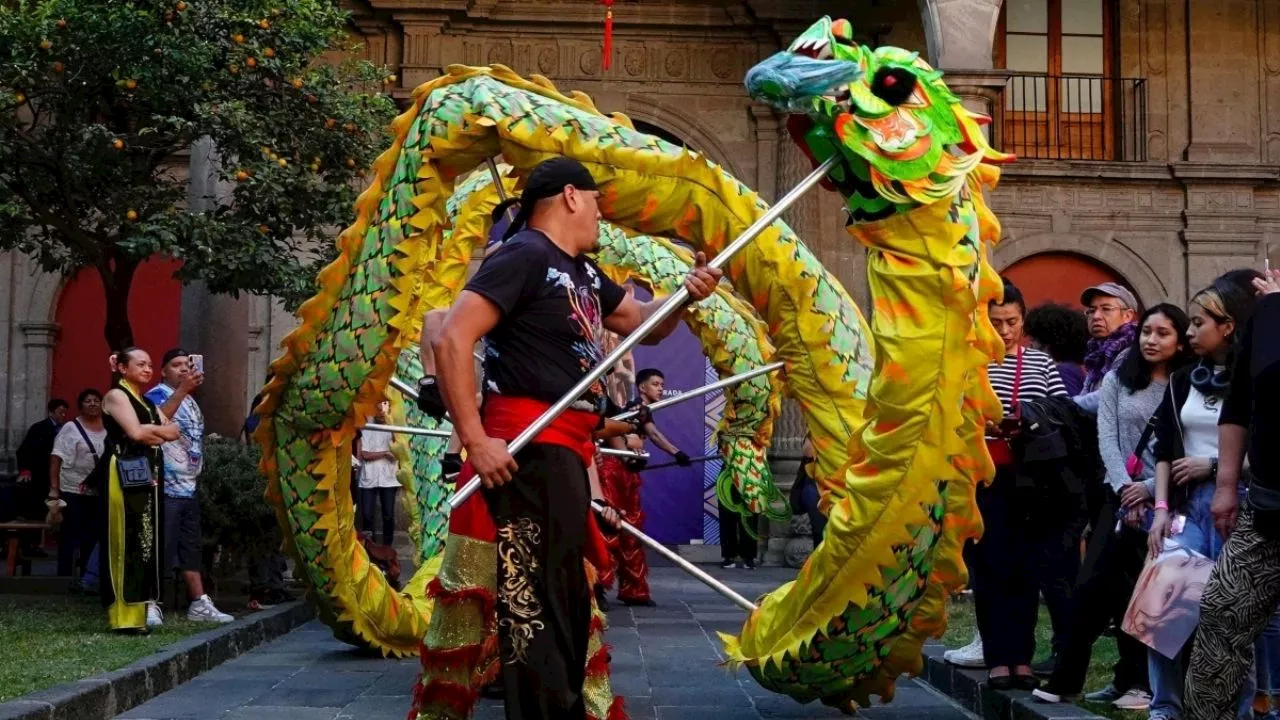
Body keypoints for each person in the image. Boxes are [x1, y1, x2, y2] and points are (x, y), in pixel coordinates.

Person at [430, 156, 721, 719]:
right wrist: (475, 438)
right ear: (569, 196)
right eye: (595, 201)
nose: (598, 214)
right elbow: (452, 338)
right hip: (526, 445)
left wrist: (689, 294)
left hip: (567, 446)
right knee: (533, 600)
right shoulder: (524, 255)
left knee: (563, 591)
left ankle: (561, 708)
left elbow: (646, 322)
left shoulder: (584, 272)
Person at [1181, 269, 1280, 720]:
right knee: (1221, 613)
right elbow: (1238, 409)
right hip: (1266, 508)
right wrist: (1225, 488)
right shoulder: (1263, 324)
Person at [962, 278, 1067, 691]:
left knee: (1026, 568)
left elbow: (1063, 410)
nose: (1004, 331)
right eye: (996, 322)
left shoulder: (1040, 363)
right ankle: (997, 658)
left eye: (1012, 321)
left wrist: (1028, 417)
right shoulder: (970, 361)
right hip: (982, 476)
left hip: (1030, 475)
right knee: (989, 569)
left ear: (1023, 320)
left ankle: (1021, 659)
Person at [145, 349, 233, 624]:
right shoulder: (156, 395)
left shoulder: (192, 402)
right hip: (165, 486)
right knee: (161, 547)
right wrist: (182, 390)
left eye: (187, 364)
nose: (183, 369)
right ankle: (149, 603)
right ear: (163, 371)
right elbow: (154, 424)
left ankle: (199, 603)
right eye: (176, 365)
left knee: (190, 547)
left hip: (189, 486)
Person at [99, 348, 179, 632]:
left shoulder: (143, 400)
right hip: (123, 471)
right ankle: (122, 616)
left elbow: (174, 431)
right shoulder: (116, 396)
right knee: (125, 537)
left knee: (145, 540)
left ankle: (138, 613)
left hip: (145, 473)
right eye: (140, 364)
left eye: (149, 364)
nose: (147, 369)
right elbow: (136, 433)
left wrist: (153, 430)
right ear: (121, 367)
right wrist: (155, 431)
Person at [49, 389, 107, 587]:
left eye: (96, 400)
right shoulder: (70, 428)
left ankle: (87, 578)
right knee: (71, 533)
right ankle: (64, 577)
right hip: (73, 488)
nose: (92, 404)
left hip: (99, 490)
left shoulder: (109, 427)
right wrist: (54, 489)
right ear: (81, 405)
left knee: (93, 534)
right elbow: (56, 458)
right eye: (88, 401)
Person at [1075, 282, 1140, 412]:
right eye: (1091, 311)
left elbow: (1109, 396)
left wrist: (1067, 406)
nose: (1096, 316)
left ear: (1127, 315)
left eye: (1106, 309)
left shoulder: (1135, 350)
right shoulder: (1096, 354)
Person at [355, 400, 400, 547]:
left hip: (389, 478)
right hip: (369, 477)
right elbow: (364, 454)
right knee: (367, 516)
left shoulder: (394, 424)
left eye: (385, 405)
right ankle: (370, 548)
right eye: (379, 404)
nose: (381, 408)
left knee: (388, 515)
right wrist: (385, 453)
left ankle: (387, 548)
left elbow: (400, 447)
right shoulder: (367, 424)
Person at [1024, 302, 1090, 397]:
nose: (1029, 345)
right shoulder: (1068, 368)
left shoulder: (1063, 371)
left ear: (1045, 340)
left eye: (1033, 339)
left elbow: (1068, 407)